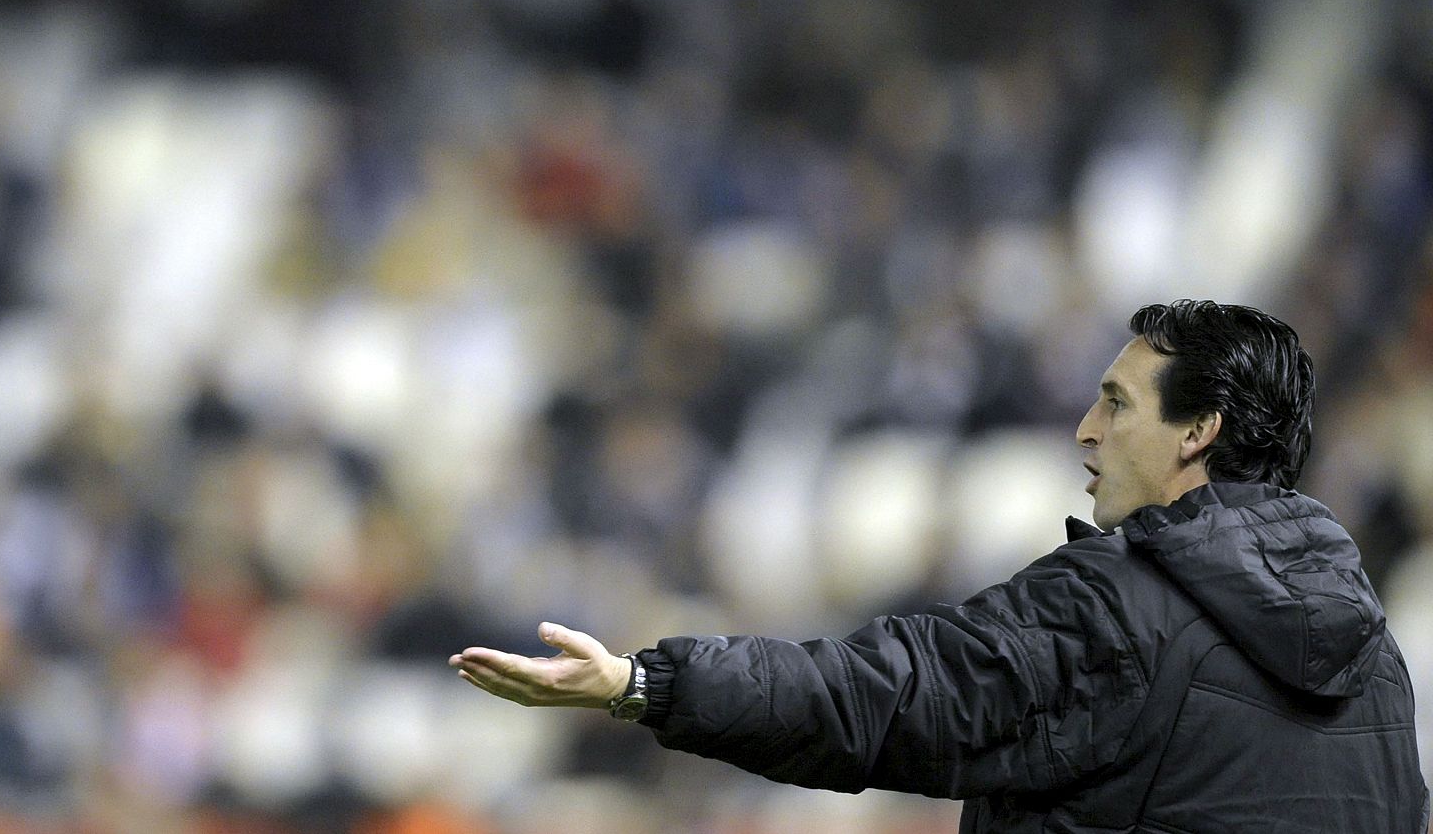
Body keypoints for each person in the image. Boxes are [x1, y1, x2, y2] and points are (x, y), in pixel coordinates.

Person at [450, 300, 1430, 832]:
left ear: (1198, 432)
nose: (1086, 431)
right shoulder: (1370, 655)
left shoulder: (1121, 608)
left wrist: (644, 683)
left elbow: (886, 698)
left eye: (1118, 404)